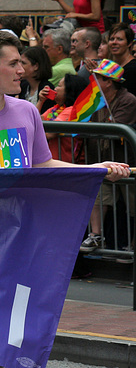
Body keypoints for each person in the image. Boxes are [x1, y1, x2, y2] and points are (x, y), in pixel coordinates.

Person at [0, 30, 130, 368]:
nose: (22, 69)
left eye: (21, 62)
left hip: (21, 244)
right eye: (13, 63)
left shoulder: (27, 113)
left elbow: (42, 163)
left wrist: (94, 168)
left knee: (13, 336)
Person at [81, 59, 136, 253]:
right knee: (98, 197)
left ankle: (132, 245)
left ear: (109, 82)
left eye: (98, 78)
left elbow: (116, 128)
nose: (93, 81)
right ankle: (96, 235)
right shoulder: (97, 100)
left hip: (126, 161)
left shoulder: (128, 100)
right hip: (103, 159)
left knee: (132, 205)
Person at [38, 73, 89, 162]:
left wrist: (34, 131)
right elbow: (31, 120)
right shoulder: (56, 108)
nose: (55, 89)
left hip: (67, 165)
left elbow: (49, 134)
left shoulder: (73, 111)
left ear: (69, 91)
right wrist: (41, 101)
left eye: (59, 86)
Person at [19, 46, 55, 113]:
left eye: (23, 63)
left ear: (36, 66)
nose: (19, 66)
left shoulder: (47, 89)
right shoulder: (23, 86)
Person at [107, 23, 136, 96]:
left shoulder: (133, 69)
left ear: (129, 43)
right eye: (112, 39)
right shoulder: (111, 66)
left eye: (119, 39)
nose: (114, 42)